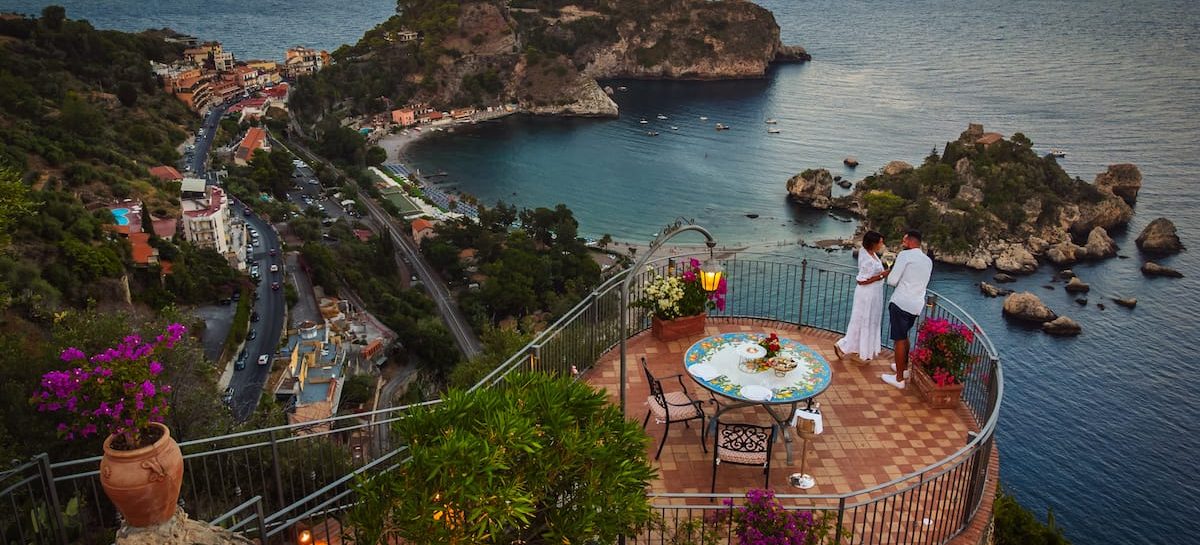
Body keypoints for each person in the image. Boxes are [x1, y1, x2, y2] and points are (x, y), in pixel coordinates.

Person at [881, 230, 933, 389]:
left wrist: (890, 272)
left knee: (899, 340)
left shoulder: (904, 256)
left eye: (904, 241)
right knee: (904, 336)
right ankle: (902, 369)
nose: (902, 243)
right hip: (916, 305)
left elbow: (892, 281)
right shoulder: (928, 261)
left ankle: (898, 380)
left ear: (910, 242)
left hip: (901, 302)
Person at [833, 231, 888, 362]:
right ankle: (843, 345)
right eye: (880, 242)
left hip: (874, 293)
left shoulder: (869, 252)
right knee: (862, 321)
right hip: (867, 294)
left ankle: (857, 349)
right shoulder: (868, 259)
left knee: (867, 321)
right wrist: (882, 275)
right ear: (873, 243)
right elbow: (861, 280)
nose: (882, 244)